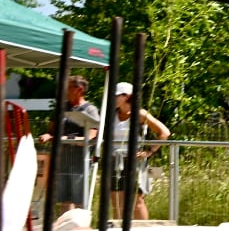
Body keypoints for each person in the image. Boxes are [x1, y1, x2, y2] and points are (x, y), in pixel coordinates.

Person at [36, 74, 100, 218]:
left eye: (69, 87)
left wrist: (66, 138)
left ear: (79, 89)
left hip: (79, 158)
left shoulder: (90, 110)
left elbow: (91, 135)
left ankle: (79, 226)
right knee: (64, 197)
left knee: (79, 196)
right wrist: (47, 135)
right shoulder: (61, 107)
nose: (65, 90)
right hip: (62, 157)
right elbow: (51, 130)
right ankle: (63, 227)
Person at [105, 82, 170, 221]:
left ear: (127, 96)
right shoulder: (111, 114)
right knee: (116, 201)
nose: (114, 98)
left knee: (137, 201)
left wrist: (149, 152)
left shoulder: (140, 113)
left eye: (117, 95)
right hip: (115, 161)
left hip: (134, 162)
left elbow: (164, 132)